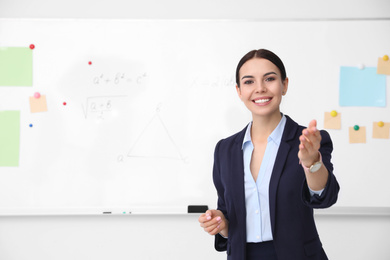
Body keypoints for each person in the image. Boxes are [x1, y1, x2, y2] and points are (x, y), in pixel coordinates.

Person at [198, 49, 340, 260]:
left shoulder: (308, 141)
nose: (260, 88)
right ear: (238, 91)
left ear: (284, 85)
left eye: (270, 79)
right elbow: (228, 214)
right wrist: (221, 223)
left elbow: (323, 196)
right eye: (249, 82)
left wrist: (312, 163)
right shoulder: (225, 150)